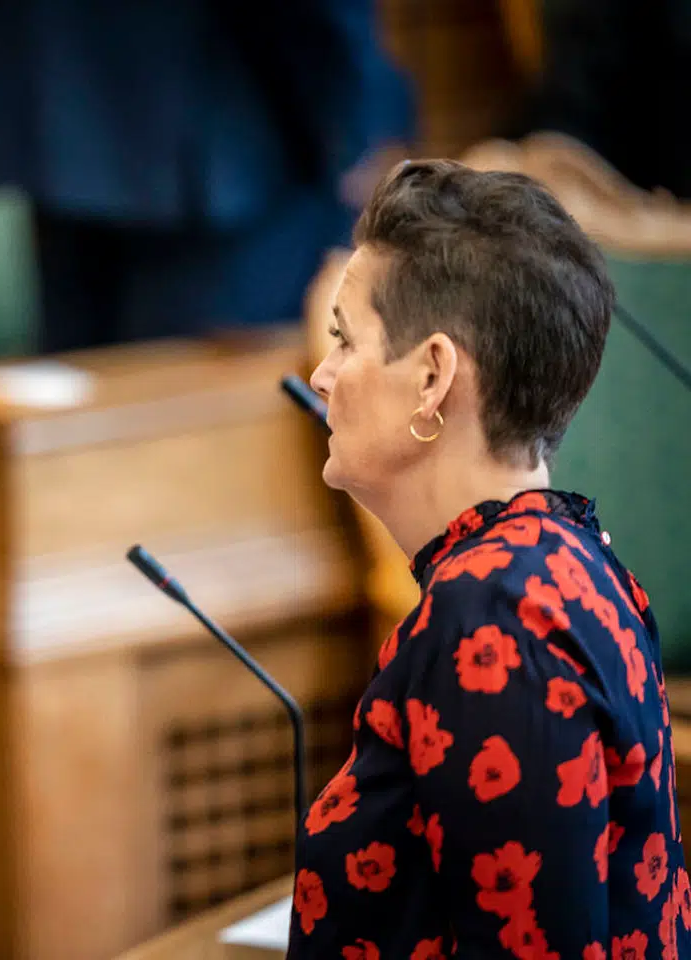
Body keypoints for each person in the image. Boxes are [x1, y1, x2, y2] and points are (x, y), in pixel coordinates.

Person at [295, 159, 690, 956]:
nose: (320, 374)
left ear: (433, 375)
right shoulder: (560, 558)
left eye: (344, 339)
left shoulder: (494, 618)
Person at [0, 0, 413, 354]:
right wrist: (357, 125)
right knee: (206, 430)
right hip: (226, 124)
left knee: (87, 419)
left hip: (61, 103)